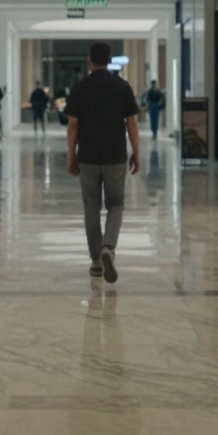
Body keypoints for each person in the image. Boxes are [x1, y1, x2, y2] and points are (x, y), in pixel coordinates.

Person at [66, 43, 141, 283]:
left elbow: (73, 126)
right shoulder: (122, 87)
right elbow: (131, 124)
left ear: (90, 61)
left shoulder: (80, 87)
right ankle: (108, 247)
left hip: (87, 156)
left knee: (91, 207)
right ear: (109, 60)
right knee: (116, 204)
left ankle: (96, 261)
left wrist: (71, 155)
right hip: (115, 156)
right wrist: (136, 152)